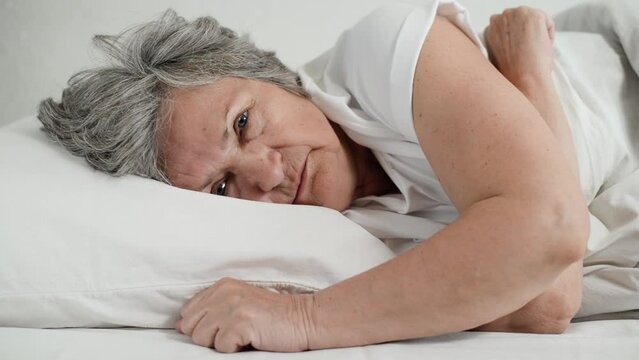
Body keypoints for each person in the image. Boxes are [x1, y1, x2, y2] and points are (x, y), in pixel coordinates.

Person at [38, 0, 634, 353]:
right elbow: (549, 301)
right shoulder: (330, 240)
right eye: (222, 188)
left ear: (276, 75)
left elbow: (549, 231)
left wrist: (300, 320)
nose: (266, 175)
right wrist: (533, 94)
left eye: (244, 123)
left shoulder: (381, 52)